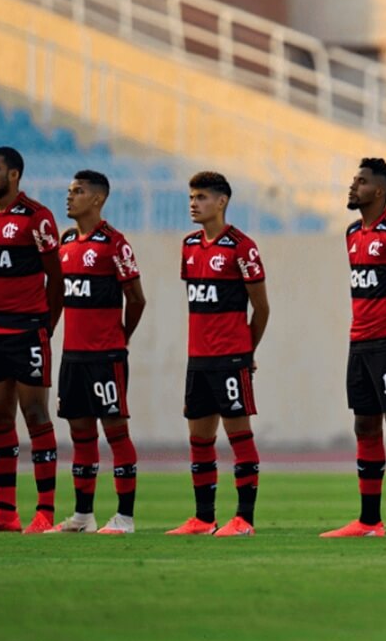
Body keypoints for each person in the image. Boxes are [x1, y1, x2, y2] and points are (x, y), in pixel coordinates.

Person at [322, 158, 386, 540]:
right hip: (360, 343)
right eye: (354, 179)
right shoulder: (352, 233)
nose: (353, 186)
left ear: (379, 191)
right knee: (364, 426)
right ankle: (369, 522)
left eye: (361, 181)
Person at [0, 147, 64, 533]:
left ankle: (46, 511)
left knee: (35, 415)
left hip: (28, 332)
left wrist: (46, 326)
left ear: (14, 175)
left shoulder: (36, 218)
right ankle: (6, 512)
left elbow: (57, 280)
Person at [167, 172, 270, 537]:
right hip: (199, 359)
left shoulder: (242, 247)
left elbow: (262, 309)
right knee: (199, 440)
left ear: (222, 201)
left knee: (239, 436)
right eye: (192, 197)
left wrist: (246, 351)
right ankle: (204, 517)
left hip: (230, 359)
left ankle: (244, 519)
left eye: (201, 197)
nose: (194, 203)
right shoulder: (190, 245)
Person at [47, 171, 146, 534]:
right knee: (80, 434)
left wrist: (122, 338)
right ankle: (83, 516)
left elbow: (137, 299)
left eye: (78, 191)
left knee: (116, 432)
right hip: (73, 356)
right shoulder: (67, 241)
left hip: (106, 357)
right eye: (69, 189)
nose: (70, 196)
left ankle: (125, 517)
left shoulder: (114, 244)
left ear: (98, 199)